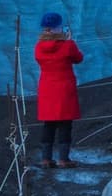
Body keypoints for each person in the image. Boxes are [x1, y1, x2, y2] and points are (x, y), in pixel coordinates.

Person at [31, 12, 82, 168]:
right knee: (65, 124)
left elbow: (40, 59)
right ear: (58, 28)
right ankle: (63, 159)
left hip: (47, 88)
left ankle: (46, 159)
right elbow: (78, 58)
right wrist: (68, 39)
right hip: (64, 88)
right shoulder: (68, 45)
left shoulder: (39, 47)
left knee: (49, 123)